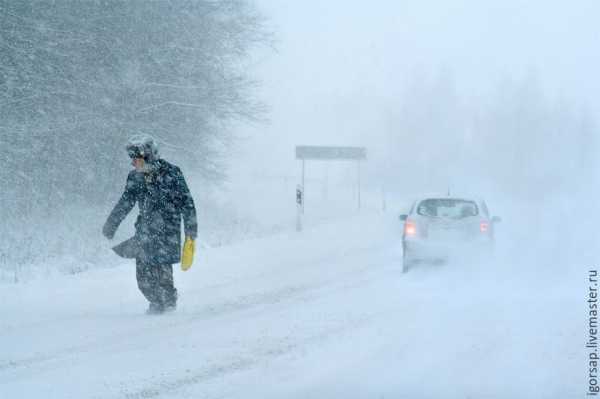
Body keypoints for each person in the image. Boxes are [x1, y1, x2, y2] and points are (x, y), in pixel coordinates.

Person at [103, 135, 197, 314]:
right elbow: (125, 202)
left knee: (162, 271)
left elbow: (187, 203)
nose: (133, 164)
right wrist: (111, 224)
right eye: (132, 160)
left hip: (167, 230)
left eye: (136, 160)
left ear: (149, 157)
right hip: (144, 231)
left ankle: (168, 304)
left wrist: (191, 232)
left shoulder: (172, 173)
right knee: (143, 277)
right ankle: (155, 301)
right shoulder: (135, 177)